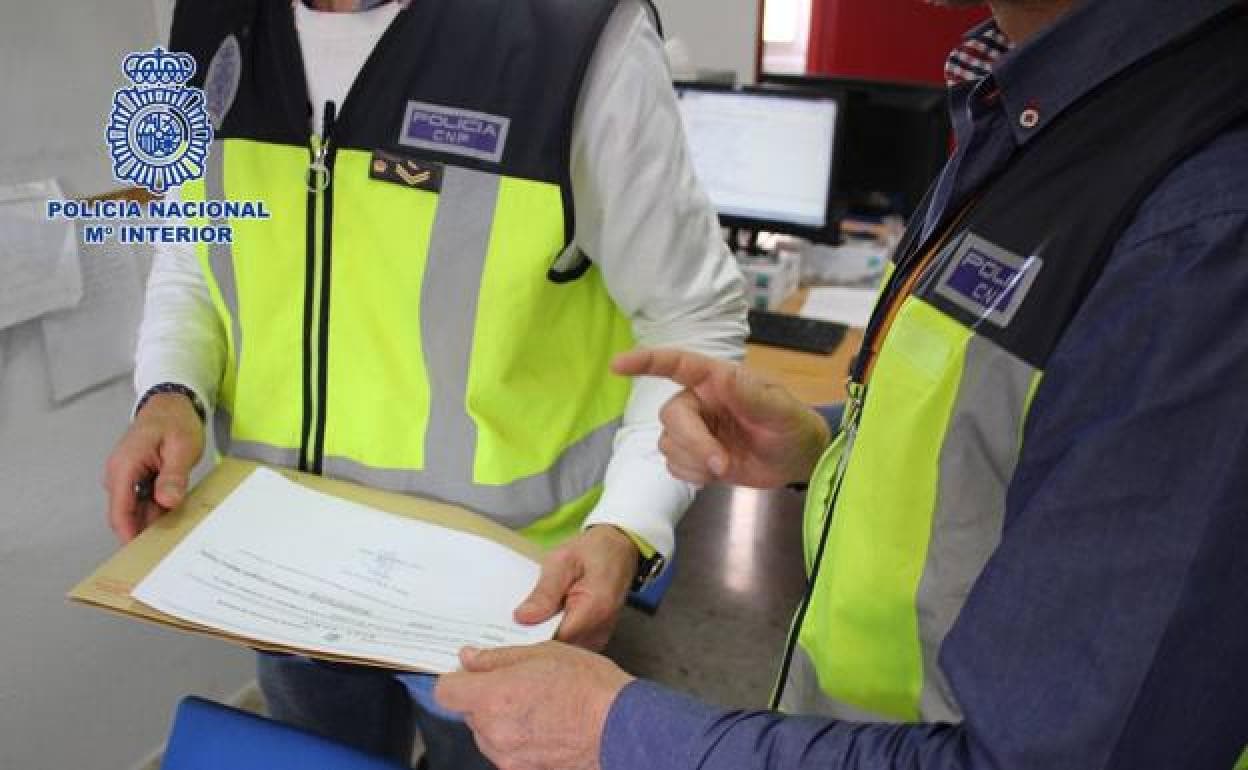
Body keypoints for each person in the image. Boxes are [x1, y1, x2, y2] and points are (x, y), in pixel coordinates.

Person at [435, 0, 1248, 768]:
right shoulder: (1033, 108)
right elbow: (1023, 438)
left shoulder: (1203, 219)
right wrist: (821, 446)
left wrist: (617, 731)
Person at [101, 0, 746, 767]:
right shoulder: (206, 17)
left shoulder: (574, 33)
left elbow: (689, 322)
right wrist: (171, 390)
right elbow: (195, 241)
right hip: (284, 569)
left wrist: (630, 527)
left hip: (503, 595)